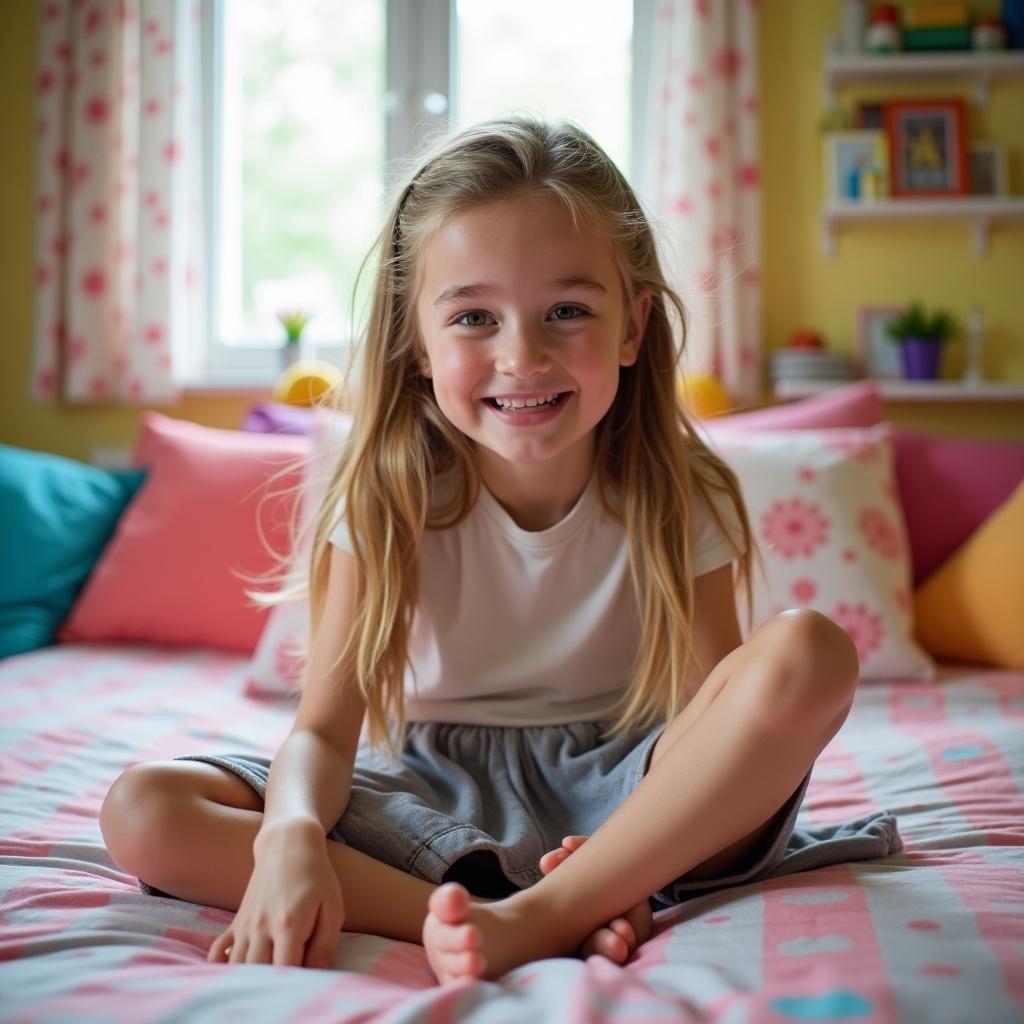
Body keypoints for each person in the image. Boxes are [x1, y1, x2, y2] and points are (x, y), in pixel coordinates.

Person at [99, 115, 900, 986]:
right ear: (416, 342)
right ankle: (509, 919)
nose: (522, 355)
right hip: (426, 792)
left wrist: (626, 846)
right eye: (475, 316)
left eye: (566, 310)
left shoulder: (681, 489)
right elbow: (324, 735)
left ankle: (557, 902)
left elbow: (705, 717)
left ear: (632, 330)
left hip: (627, 786)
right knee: (145, 809)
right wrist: (290, 836)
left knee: (808, 650)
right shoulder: (385, 494)